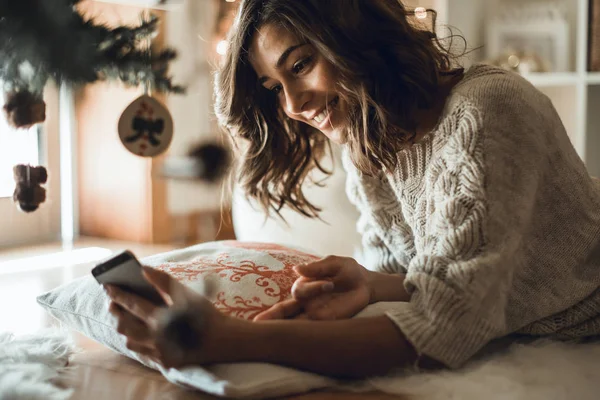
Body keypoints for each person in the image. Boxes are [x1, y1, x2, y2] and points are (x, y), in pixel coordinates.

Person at [105, 0, 600, 379]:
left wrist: (231, 341)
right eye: (275, 87)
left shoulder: (489, 109)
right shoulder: (369, 135)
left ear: (356, 35)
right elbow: (429, 274)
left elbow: (443, 325)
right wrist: (370, 282)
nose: (294, 104)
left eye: (298, 66)